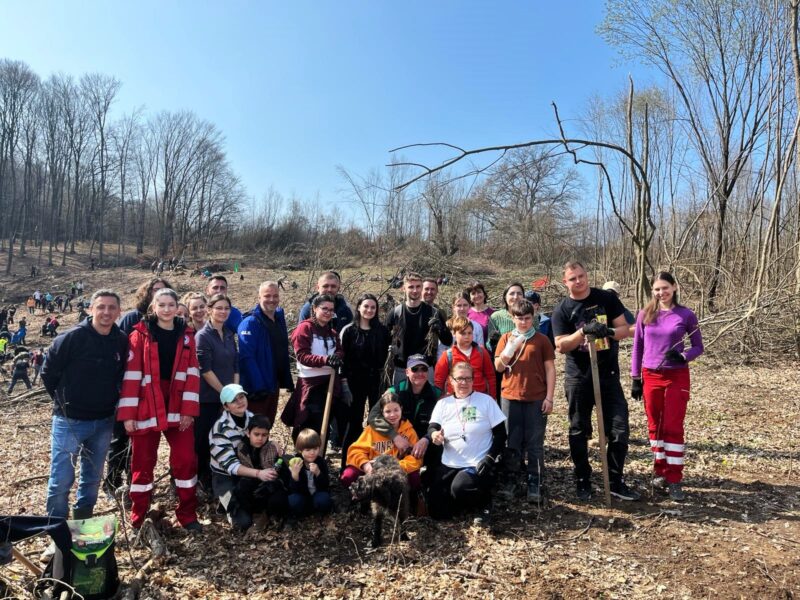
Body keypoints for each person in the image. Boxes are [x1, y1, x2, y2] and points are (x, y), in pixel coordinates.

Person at [551, 260, 640, 502]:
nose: (578, 281)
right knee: (579, 430)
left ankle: (615, 480)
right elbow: (560, 345)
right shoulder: (562, 309)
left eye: (581, 276)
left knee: (620, 429)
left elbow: (627, 328)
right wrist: (582, 332)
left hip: (608, 375)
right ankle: (583, 479)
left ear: (587, 275)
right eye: (572, 278)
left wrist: (607, 331)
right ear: (565, 281)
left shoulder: (606, 299)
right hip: (578, 377)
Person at [117, 288, 202, 531]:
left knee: (186, 460)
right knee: (142, 463)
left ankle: (187, 514)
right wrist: (128, 414)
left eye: (170, 305)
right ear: (153, 307)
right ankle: (139, 517)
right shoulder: (139, 335)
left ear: (177, 307)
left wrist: (188, 411)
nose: (166, 309)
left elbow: (192, 374)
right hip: (146, 405)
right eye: (161, 304)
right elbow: (131, 377)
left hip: (177, 404)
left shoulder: (187, 335)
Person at [41, 290, 128, 522]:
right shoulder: (71, 338)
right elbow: (48, 372)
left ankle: (82, 523)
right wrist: (64, 402)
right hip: (70, 421)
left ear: (119, 312)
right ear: (90, 309)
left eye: (112, 308)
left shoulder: (120, 340)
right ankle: (56, 529)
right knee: (61, 479)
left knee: (91, 479)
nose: (106, 312)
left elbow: (121, 375)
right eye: (101, 307)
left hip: (103, 421)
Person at [631, 272, 704, 501]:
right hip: (650, 375)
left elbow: (699, 346)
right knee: (655, 425)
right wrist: (635, 378)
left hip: (676, 376)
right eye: (656, 289)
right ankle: (660, 470)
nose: (661, 293)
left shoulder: (685, 314)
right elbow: (637, 347)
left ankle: (674, 478)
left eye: (665, 288)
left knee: (673, 425)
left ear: (674, 287)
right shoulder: (645, 314)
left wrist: (683, 355)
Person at [106, 277, 172, 497]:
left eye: (164, 291)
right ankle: (112, 481)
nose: (159, 294)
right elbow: (123, 350)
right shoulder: (134, 318)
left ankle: (132, 481)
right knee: (121, 438)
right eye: (155, 290)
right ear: (147, 293)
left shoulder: (169, 320)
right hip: (128, 388)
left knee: (140, 442)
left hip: (153, 390)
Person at [427, 362, 507, 524]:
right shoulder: (443, 404)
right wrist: (434, 434)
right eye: (459, 379)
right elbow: (432, 427)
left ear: (473, 380)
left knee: (460, 488)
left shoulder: (486, 401)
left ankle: (484, 503)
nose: (463, 383)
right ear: (451, 380)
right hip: (450, 462)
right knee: (437, 510)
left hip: (477, 463)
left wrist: (490, 458)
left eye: (468, 378)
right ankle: (459, 503)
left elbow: (501, 434)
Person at [494, 299, 556, 502]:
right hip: (510, 397)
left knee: (535, 443)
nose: (523, 322)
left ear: (533, 318)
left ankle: (534, 482)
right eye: (519, 318)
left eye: (527, 318)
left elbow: (550, 369)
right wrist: (509, 350)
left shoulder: (541, 340)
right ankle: (511, 480)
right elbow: (499, 367)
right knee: (512, 441)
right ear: (512, 318)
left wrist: (549, 397)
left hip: (536, 398)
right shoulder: (505, 339)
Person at [210, 385, 286, 531]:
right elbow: (231, 466)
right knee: (242, 523)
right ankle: (224, 499)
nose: (239, 402)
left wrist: (273, 443)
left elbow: (262, 435)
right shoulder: (219, 430)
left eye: (241, 397)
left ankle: (264, 511)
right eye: (233, 400)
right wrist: (259, 473)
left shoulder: (251, 417)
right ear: (226, 406)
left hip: (253, 467)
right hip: (225, 474)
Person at [366, 354, 443, 494]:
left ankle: (426, 488)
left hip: (425, 442)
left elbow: (446, 420)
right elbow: (373, 416)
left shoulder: (437, 394)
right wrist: (394, 436)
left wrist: (427, 438)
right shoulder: (395, 391)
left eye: (424, 369)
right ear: (407, 371)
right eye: (415, 369)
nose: (420, 373)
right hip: (400, 443)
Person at [281, 294, 346, 442]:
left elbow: (340, 350)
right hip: (310, 385)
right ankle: (303, 458)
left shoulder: (332, 332)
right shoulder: (304, 328)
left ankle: (319, 457)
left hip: (329, 383)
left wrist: (337, 356)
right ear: (315, 309)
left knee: (325, 421)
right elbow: (303, 356)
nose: (328, 312)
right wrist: (326, 359)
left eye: (331, 310)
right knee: (309, 423)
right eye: (324, 309)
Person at [195, 294, 239, 492]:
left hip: (229, 398)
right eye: (219, 308)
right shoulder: (202, 336)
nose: (223, 312)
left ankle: (222, 478)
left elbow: (235, 365)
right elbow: (205, 370)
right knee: (205, 441)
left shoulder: (229, 334)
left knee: (225, 438)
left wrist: (236, 393)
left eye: (226, 308)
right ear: (209, 310)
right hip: (209, 399)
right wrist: (226, 394)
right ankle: (202, 480)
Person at [339, 293, 390, 460]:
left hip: (376, 382)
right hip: (354, 383)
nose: (369, 310)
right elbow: (342, 361)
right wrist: (344, 385)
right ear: (359, 308)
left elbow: (387, 361)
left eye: (373, 307)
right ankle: (349, 462)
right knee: (353, 424)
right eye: (366, 306)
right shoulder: (348, 331)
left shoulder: (382, 331)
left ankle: (373, 460)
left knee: (375, 422)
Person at [341, 392, 422, 492]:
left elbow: (415, 459)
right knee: (349, 475)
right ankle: (361, 501)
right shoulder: (371, 430)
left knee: (414, 477)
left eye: (396, 410)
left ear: (401, 409)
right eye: (388, 411)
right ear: (382, 413)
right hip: (372, 470)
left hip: (396, 472)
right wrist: (365, 465)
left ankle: (407, 502)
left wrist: (395, 467)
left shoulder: (409, 432)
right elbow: (355, 451)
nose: (392, 415)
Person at [238, 281, 293, 420]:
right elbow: (246, 357)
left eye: (275, 296)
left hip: (273, 384)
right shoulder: (250, 322)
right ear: (259, 298)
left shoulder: (278, 319)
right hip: (257, 389)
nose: (272, 299)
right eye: (267, 296)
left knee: (267, 425)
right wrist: (259, 386)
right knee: (254, 428)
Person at [385, 273, 452, 387]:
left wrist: (440, 328)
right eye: (411, 287)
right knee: (402, 403)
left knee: (426, 403)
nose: (415, 290)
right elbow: (385, 341)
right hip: (402, 368)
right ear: (403, 288)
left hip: (426, 368)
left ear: (421, 288)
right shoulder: (395, 313)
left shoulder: (433, 312)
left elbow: (448, 341)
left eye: (418, 286)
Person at [434, 316, 495, 399]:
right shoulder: (448, 355)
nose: (467, 336)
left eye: (470, 333)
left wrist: (492, 398)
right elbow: (439, 381)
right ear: (454, 334)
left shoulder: (482, 352)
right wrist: (440, 401)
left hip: (479, 398)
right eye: (463, 333)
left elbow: (490, 377)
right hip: (455, 400)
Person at [286, 428, 334, 520]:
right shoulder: (296, 462)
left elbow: (325, 486)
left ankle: (319, 511)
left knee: (324, 499)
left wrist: (318, 473)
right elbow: (292, 489)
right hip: (302, 496)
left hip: (317, 495)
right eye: (308, 450)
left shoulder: (320, 462)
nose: (312, 453)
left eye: (315, 449)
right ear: (300, 450)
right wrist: (295, 475)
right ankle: (300, 514)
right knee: (293, 500)